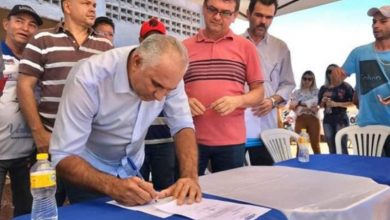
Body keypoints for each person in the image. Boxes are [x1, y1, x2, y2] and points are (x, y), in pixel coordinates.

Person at [49, 34, 201, 206]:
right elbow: (63, 156)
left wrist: (189, 176)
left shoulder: (168, 75)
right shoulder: (89, 78)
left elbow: (182, 125)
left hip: (132, 168)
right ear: (136, 62)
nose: (160, 97)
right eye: (156, 85)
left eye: (168, 90)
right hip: (89, 173)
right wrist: (112, 186)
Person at [17, 0, 112, 205]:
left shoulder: (105, 45)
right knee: (46, 207)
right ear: (67, 6)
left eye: (94, 4)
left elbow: (110, 94)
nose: (93, 8)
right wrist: (39, 134)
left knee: (91, 210)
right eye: (86, 3)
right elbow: (24, 86)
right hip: (49, 146)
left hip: (89, 150)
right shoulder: (43, 39)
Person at [183, 0, 264, 175]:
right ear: (204, 9)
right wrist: (184, 102)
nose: (217, 17)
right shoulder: (184, 48)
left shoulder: (246, 47)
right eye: (212, 9)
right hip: (189, 138)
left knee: (229, 197)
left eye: (225, 13)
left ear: (234, 16)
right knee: (187, 195)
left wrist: (238, 101)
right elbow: (170, 90)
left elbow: (259, 92)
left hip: (231, 141)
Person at [0, 4, 42, 216]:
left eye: (32, 24)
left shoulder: (39, 63)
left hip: (27, 156)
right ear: (6, 24)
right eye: (19, 21)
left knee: (28, 212)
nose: (25, 27)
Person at [332, 5, 390, 156]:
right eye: (374, 21)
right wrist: (336, 75)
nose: (376, 25)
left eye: (383, 21)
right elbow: (338, 79)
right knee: (368, 176)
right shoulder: (359, 53)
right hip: (367, 127)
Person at [243, 0, 295, 165]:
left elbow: (288, 83)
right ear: (248, 14)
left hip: (267, 128)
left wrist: (273, 101)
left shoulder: (280, 47)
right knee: (231, 180)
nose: (263, 21)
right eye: (258, 15)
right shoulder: (233, 44)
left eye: (268, 17)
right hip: (236, 127)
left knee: (265, 180)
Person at [138, 18, 178, 190]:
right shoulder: (134, 70)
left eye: (159, 40)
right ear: (141, 42)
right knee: (138, 190)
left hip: (165, 141)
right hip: (138, 144)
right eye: (149, 40)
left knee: (165, 189)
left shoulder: (173, 70)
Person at [318, 64, 354, 154]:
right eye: (329, 71)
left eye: (335, 71)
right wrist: (323, 101)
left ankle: (345, 167)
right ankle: (333, 167)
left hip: (341, 119)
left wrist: (336, 104)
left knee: (342, 145)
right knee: (331, 145)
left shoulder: (346, 86)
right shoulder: (323, 88)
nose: (332, 74)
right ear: (327, 74)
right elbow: (320, 106)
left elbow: (353, 103)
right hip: (327, 120)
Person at [289, 71, 321, 154]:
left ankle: (318, 166)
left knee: (315, 145)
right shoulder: (296, 92)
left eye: (310, 79)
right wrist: (309, 105)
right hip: (300, 119)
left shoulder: (317, 92)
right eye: (305, 78)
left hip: (313, 119)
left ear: (313, 80)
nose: (307, 81)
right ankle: (298, 166)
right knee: (299, 145)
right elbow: (291, 106)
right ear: (302, 79)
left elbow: (316, 106)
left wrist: (299, 103)